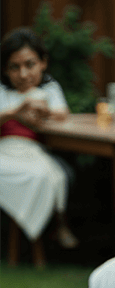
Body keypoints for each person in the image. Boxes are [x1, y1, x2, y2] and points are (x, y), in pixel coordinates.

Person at [0, 27, 78, 267]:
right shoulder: (3, 92)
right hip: (6, 151)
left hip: (34, 151)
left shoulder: (49, 90)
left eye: (30, 64)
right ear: (6, 69)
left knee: (50, 175)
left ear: (43, 63)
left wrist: (45, 113)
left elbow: (63, 114)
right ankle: (54, 225)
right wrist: (17, 111)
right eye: (15, 67)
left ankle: (57, 224)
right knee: (40, 176)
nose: (23, 74)